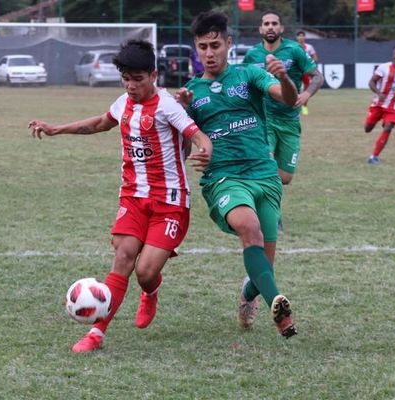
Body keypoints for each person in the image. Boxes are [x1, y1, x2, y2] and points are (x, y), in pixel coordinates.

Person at [28, 39, 213, 353]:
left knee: (145, 272)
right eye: (126, 79)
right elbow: (100, 123)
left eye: (138, 80)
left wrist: (205, 150)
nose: (131, 86)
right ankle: (96, 334)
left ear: (154, 75)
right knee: (124, 256)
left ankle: (150, 291)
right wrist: (57, 128)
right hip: (133, 197)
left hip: (170, 203)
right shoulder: (123, 103)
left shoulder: (167, 105)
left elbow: (197, 136)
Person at [175, 11, 298, 338]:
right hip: (224, 179)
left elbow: (289, 99)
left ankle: (248, 296)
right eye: (202, 47)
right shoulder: (190, 93)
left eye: (215, 45)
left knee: (263, 267)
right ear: (196, 49)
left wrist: (284, 78)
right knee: (249, 227)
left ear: (228, 43)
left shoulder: (249, 75)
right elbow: (184, 150)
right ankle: (281, 312)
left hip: (265, 176)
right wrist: (182, 113)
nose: (209, 53)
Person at [244, 11, 324, 186]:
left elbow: (318, 77)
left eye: (274, 23)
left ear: (281, 28)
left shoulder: (294, 50)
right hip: (264, 120)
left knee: (285, 178)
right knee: (266, 165)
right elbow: (245, 84)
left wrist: (306, 94)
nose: (270, 27)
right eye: (266, 23)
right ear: (260, 29)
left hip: (289, 120)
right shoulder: (252, 55)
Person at [364, 45, 395, 165]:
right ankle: (379, 122)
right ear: (393, 55)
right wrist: (378, 93)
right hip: (378, 104)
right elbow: (371, 82)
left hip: (393, 106)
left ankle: (374, 156)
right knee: (367, 128)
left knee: (389, 127)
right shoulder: (384, 68)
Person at [296, 31, 318, 115]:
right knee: (294, 88)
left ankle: (304, 106)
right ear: (297, 37)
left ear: (304, 37)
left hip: (305, 72)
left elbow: (315, 58)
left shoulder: (309, 47)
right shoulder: (293, 46)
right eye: (299, 36)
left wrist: (308, 63)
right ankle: (294, 106)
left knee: (306, 89)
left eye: (302, 36)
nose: (301, 38)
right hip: (296, 72)